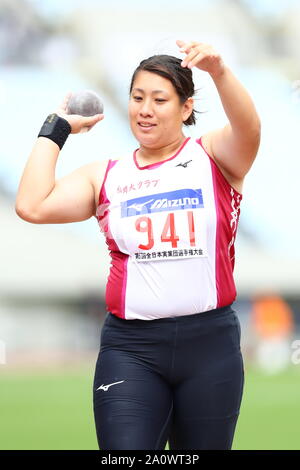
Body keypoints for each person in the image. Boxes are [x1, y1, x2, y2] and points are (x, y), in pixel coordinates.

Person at [15, 39, 261, 450]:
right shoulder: (105, 175)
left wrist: (219, 71)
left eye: (159, 99)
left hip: (210, 347)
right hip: (131, 349)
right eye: (137, 97)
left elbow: (249, 129)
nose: (145, 109)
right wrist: (56, 127)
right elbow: (32, 205)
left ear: (186, 107)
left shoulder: (214, 157)